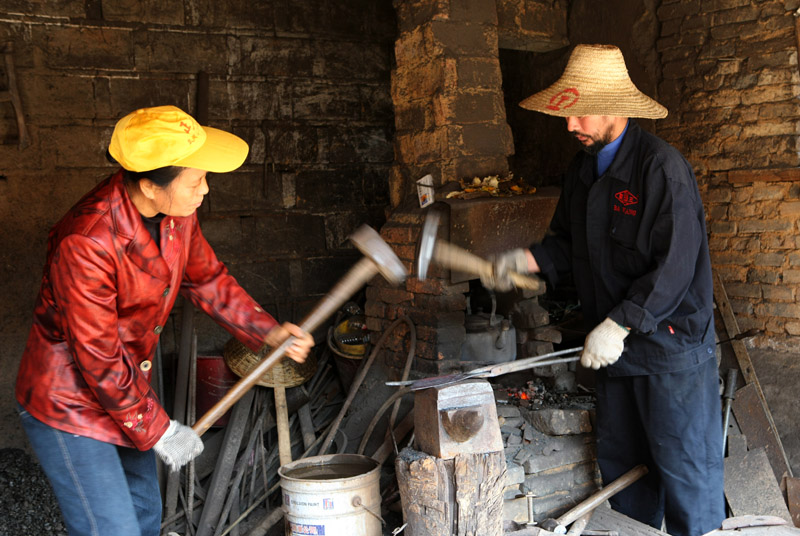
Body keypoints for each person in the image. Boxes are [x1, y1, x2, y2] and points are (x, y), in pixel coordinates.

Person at [15, 105, 315, 536]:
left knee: (143, 517)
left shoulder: (176, 216)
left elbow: (206, 278)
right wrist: (157, 430)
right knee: (112, 529)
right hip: (70, 403)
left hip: (125, 391)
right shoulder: (86, 242)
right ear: (150, 187)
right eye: (196, 180)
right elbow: (97, 359)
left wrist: (265, 331)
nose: (205, 190)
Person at [482, 45, 724, 536]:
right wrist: (526, 261)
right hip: (615, 356)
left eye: (579, 112)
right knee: (625, 474)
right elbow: (569, 246)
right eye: (565, 113)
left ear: (618, 108)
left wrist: (620, 323)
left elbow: (676, 267)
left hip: (669, 353)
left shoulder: (661, 168)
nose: (570, 124)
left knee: (685, 478)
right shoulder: (581, 171)